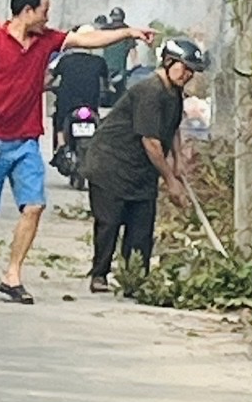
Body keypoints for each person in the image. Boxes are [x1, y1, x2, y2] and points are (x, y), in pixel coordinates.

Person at [0, 0, 153, 305]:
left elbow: (87, 40)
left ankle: (12, 274)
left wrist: (128, 33)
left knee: (34, 206)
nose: (47, 18)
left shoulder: (47, 40)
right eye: (44, 11)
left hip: (26, 139)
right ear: (27, 11)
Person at [82, 37, 205, 293]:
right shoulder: (150, 91)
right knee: (109, 223)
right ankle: (99, 274)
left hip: (141, 169)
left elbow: (172, 127)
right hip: (111, 164)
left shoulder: (174, 93)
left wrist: (179, 160)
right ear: (168, 62)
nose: (187, 75)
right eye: (184, 68)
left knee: (141, 226)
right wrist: (170, 180)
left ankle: (135, 278)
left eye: (191, 71)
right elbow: (151, 142)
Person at [49, 41, 108, 163]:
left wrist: (43, 86)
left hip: (67, 104)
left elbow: (51, 78)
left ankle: (60, 146)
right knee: (98, 122)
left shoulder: (65, 60)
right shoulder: (99, 61)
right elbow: (106, 82)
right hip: (90, 104)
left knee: (59, 121)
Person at [102, 6, 135, 105]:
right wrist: (136, 66)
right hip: (120, 69)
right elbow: (132, 50)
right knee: (120, 95)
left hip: (104, 67)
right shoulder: (127, 31)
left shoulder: (104, 30)